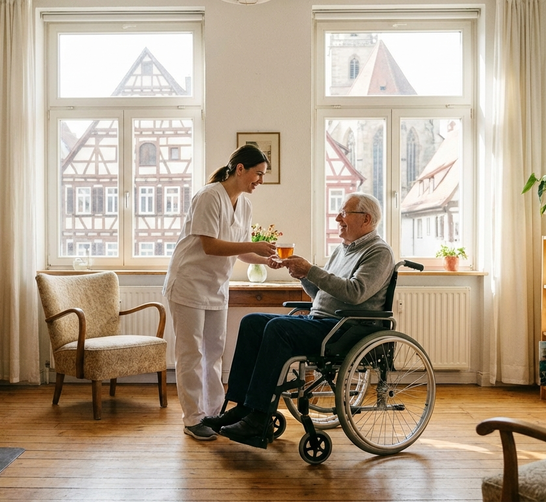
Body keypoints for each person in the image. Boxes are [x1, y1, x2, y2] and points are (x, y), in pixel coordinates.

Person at [202, 192, 394, 446]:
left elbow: (355, 293)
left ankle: (259, 417)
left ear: (366, 219)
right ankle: (242, 407)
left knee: (278, 328)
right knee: (252, 322)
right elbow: (321, 294)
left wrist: (311, 270)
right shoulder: (343, 250)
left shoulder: (379, 252)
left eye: (344, 213)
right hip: (323, 322)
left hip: (347, 328)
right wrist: (303, 276)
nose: (338, 218)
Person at [163, 144, 279, 441]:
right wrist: (254, 246)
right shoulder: (209, 196)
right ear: (240, 169)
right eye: (258, 173)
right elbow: (210, 246)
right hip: (188, 282)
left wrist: (265, 260)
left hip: (215, 286)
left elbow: (240, 252)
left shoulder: (245, 205)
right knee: (191, 353)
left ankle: (213, 414)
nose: (261, 180)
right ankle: (193, 419)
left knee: (214, 353)